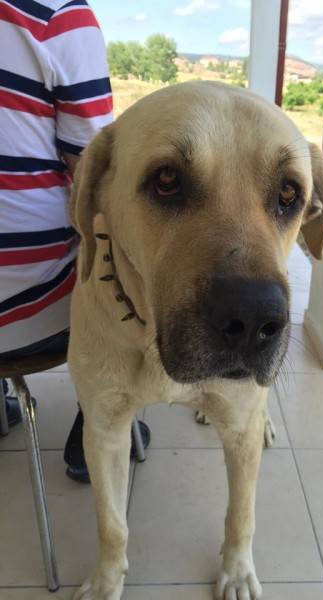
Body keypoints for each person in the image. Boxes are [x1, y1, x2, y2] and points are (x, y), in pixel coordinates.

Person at [0, 0, 149, 482]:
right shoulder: (56, 13)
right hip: (25, 310)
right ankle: (100, 421)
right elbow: (94, 171)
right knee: (129, 255)